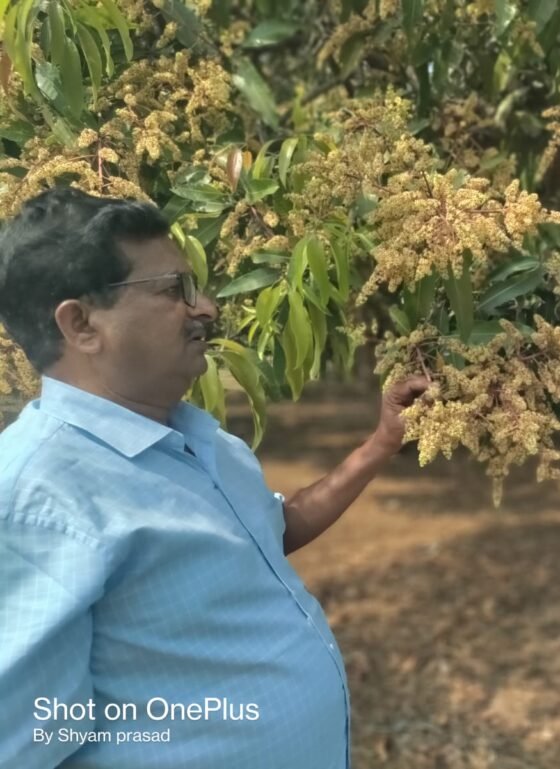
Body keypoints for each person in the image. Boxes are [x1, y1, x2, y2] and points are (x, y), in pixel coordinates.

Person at [0, 187, 428, 769]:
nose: (206, 307)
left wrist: (381, 444)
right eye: (173, 289)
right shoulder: (38, 499)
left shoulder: (202, 441)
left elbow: (269, 532)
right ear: (81, 325)